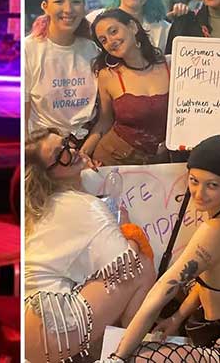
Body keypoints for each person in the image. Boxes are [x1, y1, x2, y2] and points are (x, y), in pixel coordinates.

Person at [98, 135, 220, 363]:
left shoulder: (215, 230)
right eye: (194, 180)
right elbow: (210, 278)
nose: (199, 193)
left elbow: (161, 291)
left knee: (136, 357)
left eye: (212, 185)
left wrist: (117, 358)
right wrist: (177, 317)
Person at [25, 128, 157, 363]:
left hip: (29, 320)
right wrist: (129, 232)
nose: (72, 151)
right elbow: (126, 263)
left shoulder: (42, 203)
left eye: (67, 143)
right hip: (49, 325)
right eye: (61, 154)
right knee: (142, 266)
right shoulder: (84, 207)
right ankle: (132, 353)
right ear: (48, 174)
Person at [80, 9, 171, 166]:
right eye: (103, 40)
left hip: (163, 162)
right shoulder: (107, 75)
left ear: (133, 27)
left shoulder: (170, 65)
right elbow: (104, 121)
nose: (110, 41)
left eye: (113, 31)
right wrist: (83, 154)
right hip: (115, 158)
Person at [25, 0, 98, 138]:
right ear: (45, 6)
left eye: (76, 2)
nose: (68, 9)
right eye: (59, 1)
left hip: (88, 143)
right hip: (47, 148)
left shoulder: (92, 49)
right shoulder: (29, 50)